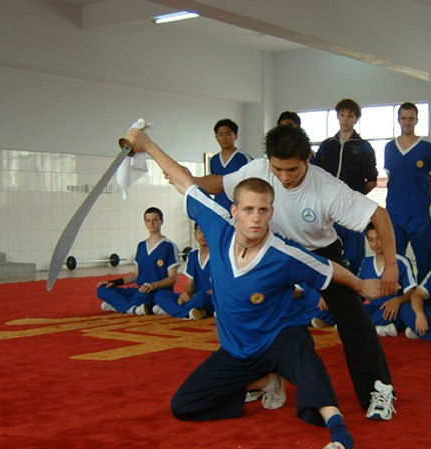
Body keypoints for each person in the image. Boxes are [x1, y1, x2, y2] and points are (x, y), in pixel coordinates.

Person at [124, 127, 385, 449]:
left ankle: (340, 440)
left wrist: (361, 285)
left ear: (272, 213)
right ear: (235, 210)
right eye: (248, 209)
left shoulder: (285, 253)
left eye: (264, 210)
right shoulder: (217, 226)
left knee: (304, 354)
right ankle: (263, 382)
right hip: (237, 351)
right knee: (184, 405)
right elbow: (182, 179)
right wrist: (147, 145)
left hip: (277, 341)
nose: (256, 218)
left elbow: (328, 268)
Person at [170, 123, 399, 420]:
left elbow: (378, 214)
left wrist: (391, 264)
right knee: (253, 315)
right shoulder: (258, 170)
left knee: (353, 319)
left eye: (293, 170)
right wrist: (188, 180)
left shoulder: (327, 188)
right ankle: (267, 379)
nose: (285, 177)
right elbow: (221, 184)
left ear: (308, 158)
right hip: (274, 253)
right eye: (278, 169)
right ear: (269, 162)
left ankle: (378, 391)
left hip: (320, 253)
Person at [314, 98, 378, 273]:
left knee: (354, 255)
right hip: (327, 209)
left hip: (352, 209)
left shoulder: (364, 147)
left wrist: (354, 196)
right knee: (327, 251)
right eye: (342, 115)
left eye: (350, 116)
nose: (345, 119)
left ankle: (356, 291)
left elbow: (372, 180)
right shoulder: (327, 146)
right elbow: (316, 175)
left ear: (356, 119)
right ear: (337, 117)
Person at [384, 102, 431, 282]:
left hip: (419, 214)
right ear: (398, 119)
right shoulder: (390, 148)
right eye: (404, 118)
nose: (407, 122)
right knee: (396, 260)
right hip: (395, 213)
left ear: (416, 120)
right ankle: (399, 298)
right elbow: (392, 178)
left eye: (411, 118)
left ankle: (426, 297)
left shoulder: (427, 148)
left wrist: (421, 200)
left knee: (425, 261)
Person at [97, 207, 179, 315]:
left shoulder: (169, 246)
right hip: (139, 290)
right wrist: (114, 282)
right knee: (102, 289)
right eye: (148, 220)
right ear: (145, 222)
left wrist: (153, 285)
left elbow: (172, 278)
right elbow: (135, 275)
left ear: (161, 221)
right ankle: (131, 308)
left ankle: (121, 306)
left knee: (142, 295)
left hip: (155, 292)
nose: (152, 223)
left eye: (155, 220)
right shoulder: (141, 246)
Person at [358, 223, 416, 337]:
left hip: (390, 308)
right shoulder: (366, 262)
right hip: (371, 306)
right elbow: (360, 289)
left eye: (379, 238)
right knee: (351, 311)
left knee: (405, 311)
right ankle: (381, 329)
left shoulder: (401, 262)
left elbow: (412, 291)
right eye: (371, 240)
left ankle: (372, 328)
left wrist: (398, 300)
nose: (375, 244)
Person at [152, 222, 214, 320]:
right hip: (194, 297)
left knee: (202, 297)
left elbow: (218, 288)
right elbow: (190, 283)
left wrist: (193, 296)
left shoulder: (218, 255)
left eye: (205, 231)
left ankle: (175, 310)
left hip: (209, 297)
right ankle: (193, 312)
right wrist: (186, 295)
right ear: (195, 234)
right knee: (159, 295)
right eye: (199, 231)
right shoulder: (192, 255)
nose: (202, 235)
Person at [209, 118, 252, 210]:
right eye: (220, 134)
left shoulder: (243, 158)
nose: (224, 138)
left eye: (228, 134)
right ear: (216, 137)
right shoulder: (214, 160)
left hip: (239, 207)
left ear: (235, 136)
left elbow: (251, 184)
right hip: (219, 207)